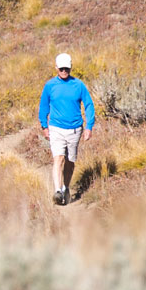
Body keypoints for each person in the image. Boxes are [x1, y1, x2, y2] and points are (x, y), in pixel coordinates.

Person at [38, 53, 97, 206]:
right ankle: (57, 191)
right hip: (56, 128)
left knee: (70, 161)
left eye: (67, 68)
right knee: (58, 158)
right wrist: (44, 125)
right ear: (56, 67)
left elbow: (89, 105)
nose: (64, 71)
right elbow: (44, 106)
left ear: (70, 68)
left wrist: (89, 127)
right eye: (61, 68)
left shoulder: (79, 85)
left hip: (75, 130)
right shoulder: (50, 86)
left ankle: (65, 187)